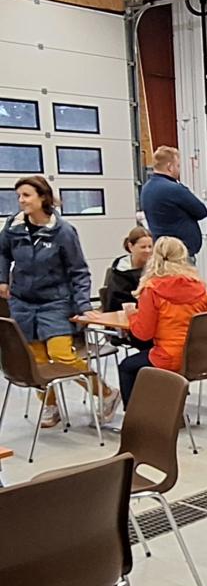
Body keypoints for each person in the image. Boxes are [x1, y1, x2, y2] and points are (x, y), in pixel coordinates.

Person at [0, 174, 119, 426]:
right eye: (19, 196)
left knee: (61, 354)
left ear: (43, 197)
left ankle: (106, 393)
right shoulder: (13, 226)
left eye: (26, 195)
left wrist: (83, 305)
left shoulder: (63, 231)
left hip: (55, 302)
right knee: (36, 360)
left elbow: (79, 271)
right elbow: (2, 253)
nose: (21, 201)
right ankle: (50, 405)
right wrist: (2, 279)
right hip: (22, 302)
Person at [118, 236, 207, 407]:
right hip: (195, 356)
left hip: (168, 357)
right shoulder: (200, 287)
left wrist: (132, 315)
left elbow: (143, 334)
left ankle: (135, 416)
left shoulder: (152, 289)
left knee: (126, 367)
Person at [139, 146, 207, 260]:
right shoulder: (173, 189)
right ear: (169, 167)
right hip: (179, 252)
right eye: (178, 166)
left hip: (161, 250)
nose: (179, 170)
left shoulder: (146, 189)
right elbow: (201, 211)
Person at [102, 226, 154, 312]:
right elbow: (116, 303)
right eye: (143, 247)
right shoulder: (120, 272)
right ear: (130, 246)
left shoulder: (157, 269)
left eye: (150, 247)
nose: (147, 251)